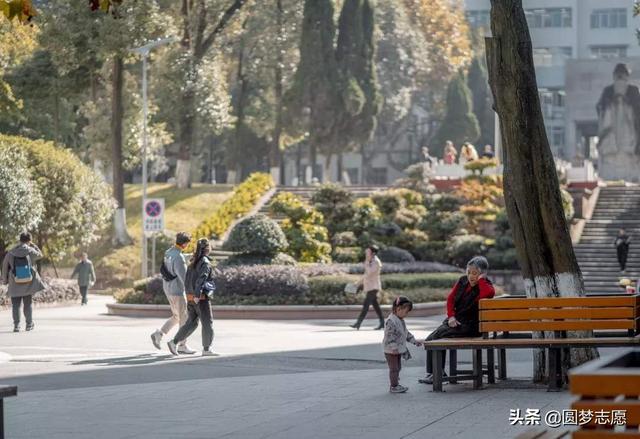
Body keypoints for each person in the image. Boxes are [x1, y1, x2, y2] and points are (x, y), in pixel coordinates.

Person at [419, 256, 495, 385]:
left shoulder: (486, 286)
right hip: (457, 322)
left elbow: (486, 294)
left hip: (471, 326)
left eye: (475, 273)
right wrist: (451, 316)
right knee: (431, 338)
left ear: (483, 274)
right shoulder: (462, 281)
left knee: (436, 337)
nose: (471, 276)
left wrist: (481, 280)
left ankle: (436, 374)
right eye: (469, 272)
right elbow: (450, 299)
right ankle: (435, 373)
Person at [168, 238, 216, 357]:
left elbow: (187, 279)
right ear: (207, 249)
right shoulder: (204, 262)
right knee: (207, 323)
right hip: (200, 298)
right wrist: (198, 295)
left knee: (192, 323)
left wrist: (190, 295)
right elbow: (202, 279)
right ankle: (206, 349)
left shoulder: (193, 261)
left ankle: (174, 342)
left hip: (190, 296)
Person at [150, 232, 196, 354]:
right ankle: (181, 344)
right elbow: (184, 277)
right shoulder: (179, 258)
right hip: (178, 292)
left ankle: (159, 334)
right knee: (184, 319)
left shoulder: (168, 252)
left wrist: (190, 256)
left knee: (177, 316)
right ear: (185, 243)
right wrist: (192, 291)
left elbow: (177, 259)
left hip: (168, 289)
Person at [2, 233, 45, 332]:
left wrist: (5, 280)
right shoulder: (30, 251)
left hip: (15, 281)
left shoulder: (11, 252)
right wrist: (34, 246)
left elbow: (4, 266)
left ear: (19, 240)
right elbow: (40, 255)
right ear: (29, 241)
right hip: (28, 282)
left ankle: (16, 326)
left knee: (16, 305)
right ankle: (29, 324)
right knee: (27, 304)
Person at [383, 296, 423, 393]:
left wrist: (414, 341)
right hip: (390, 350)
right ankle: (394, 386)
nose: (407, 314)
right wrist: (393, 347)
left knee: (398, 367)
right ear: (398, 309)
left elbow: (405, 333)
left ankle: (395, 381)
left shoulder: (400, 320)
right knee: (394, 369)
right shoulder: (391, 321)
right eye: (406, 311)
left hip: (397, 349)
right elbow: (389, 335)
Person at [350, 245, 384, 330]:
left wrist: (367, 262)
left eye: (368, 252)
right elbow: (365, 275)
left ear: (373, 253)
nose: (366, 253)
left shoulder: (376, 262)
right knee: (376, 305)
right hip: (370, 286)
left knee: (366, 305)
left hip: (374, 287)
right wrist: (357, 283)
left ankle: (358, 323)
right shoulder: (369, 261)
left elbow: (369, 273)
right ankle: (382, 322)